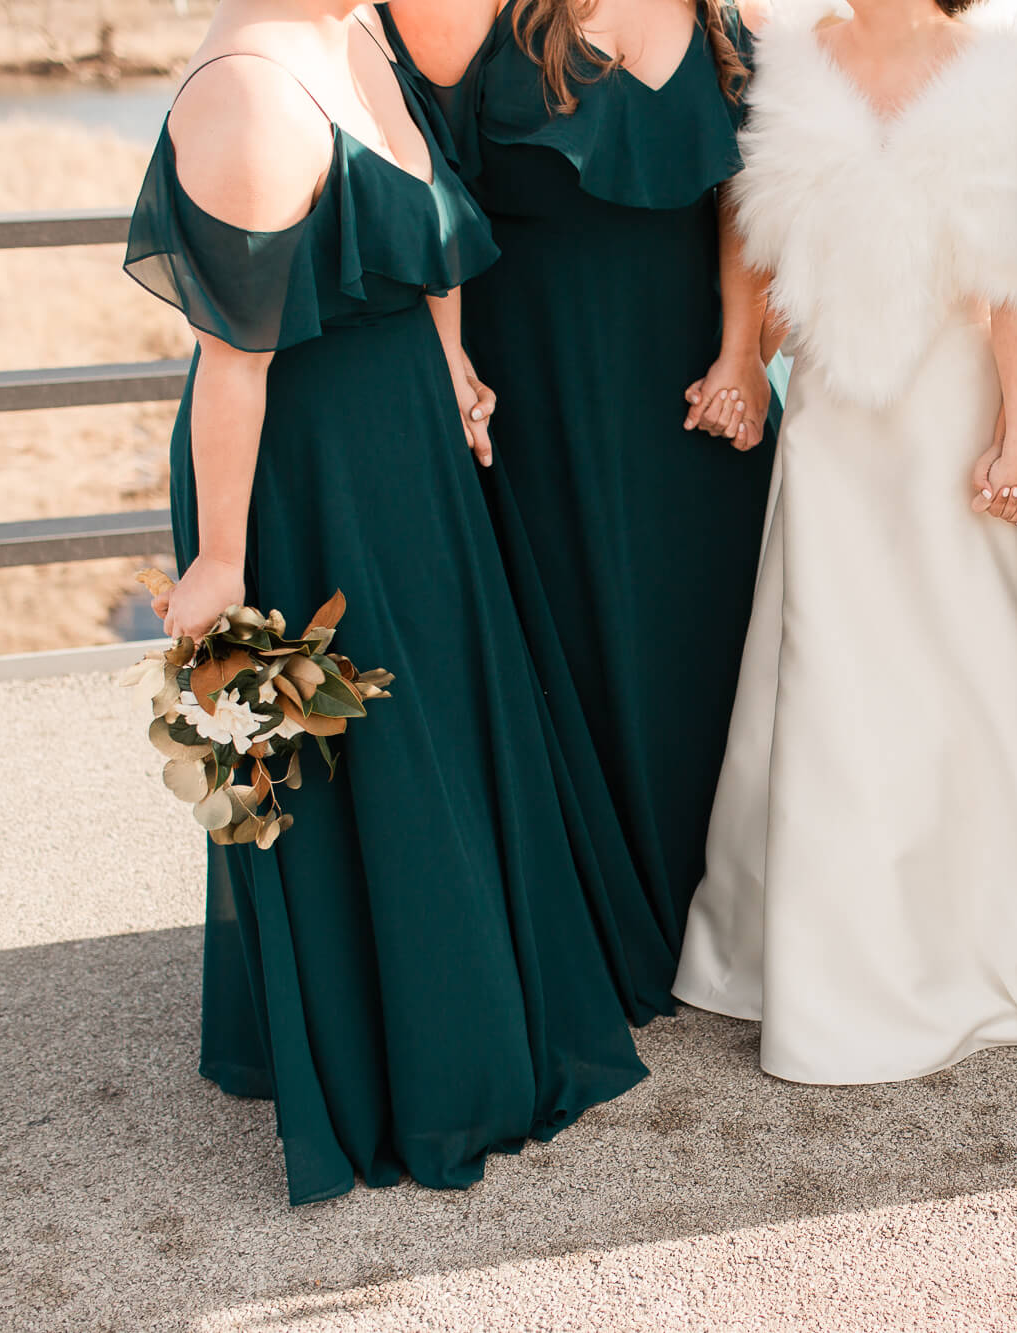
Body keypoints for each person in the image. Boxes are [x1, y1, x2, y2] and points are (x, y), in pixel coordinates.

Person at [125, 0, 646, 1203]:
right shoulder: (249, 89)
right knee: (372, 756)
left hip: (407, 442)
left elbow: (426, 234)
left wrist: (454, 366)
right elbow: (234, 365)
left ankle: (452, 1013)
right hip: (310, 476)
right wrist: (218, 562)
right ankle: (400, 1066)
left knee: (440, 739)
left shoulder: (355, 34)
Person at [672, 0, 1017, 1084]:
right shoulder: (790, 59)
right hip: (830, 420)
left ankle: (985, 947)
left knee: (971, 674)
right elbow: (749, 224)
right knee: (829, 676)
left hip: (953, 417)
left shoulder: (1000, 70)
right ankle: (825, 976)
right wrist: (738, 358)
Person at [380, 0, 777, 1020]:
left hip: (688, 389)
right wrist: (451, 361)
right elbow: (433, 189)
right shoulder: (493, 22)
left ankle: (705, 922)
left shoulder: (730, 25)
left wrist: (743, 353)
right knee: (562, 642)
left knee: (695, 643)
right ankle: (590, 931)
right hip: (534, 386)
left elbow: (747, 199)